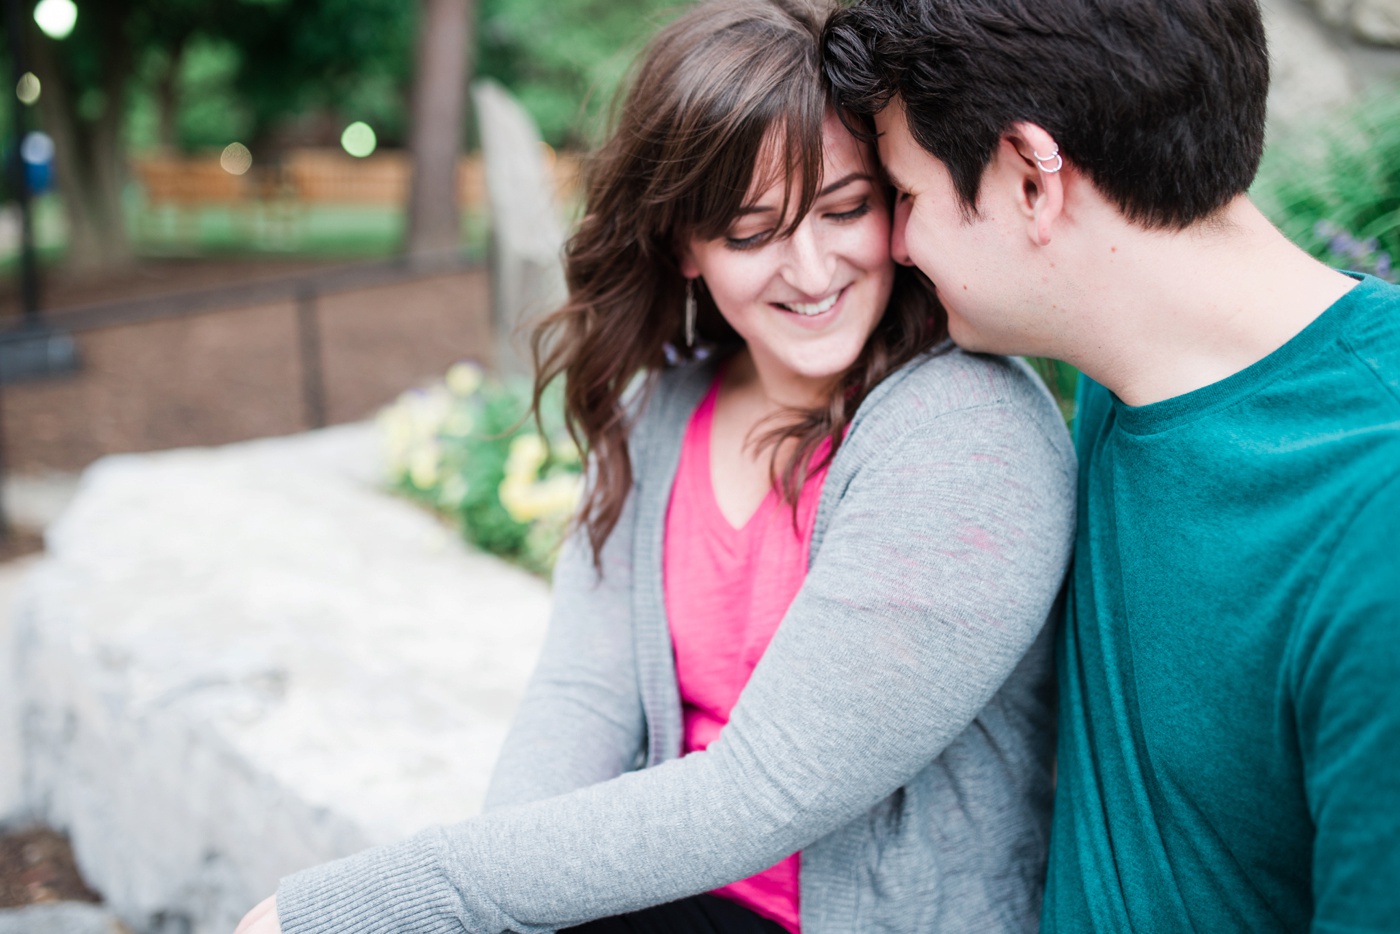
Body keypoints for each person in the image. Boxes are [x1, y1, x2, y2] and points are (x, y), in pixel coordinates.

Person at [234, 1, 1075, 932]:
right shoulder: (662, 412)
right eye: (753, 233)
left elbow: (766, 789)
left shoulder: (964, 436)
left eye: (846, 211)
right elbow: (579, 697)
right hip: (682, 903)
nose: (810, 269)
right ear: (684, 244)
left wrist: (371, 908)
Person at [821, 1, 1400, 931]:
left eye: (908, 196)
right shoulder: (1118, 372)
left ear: (1031, 178)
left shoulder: (1375, 512)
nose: (894, 245)